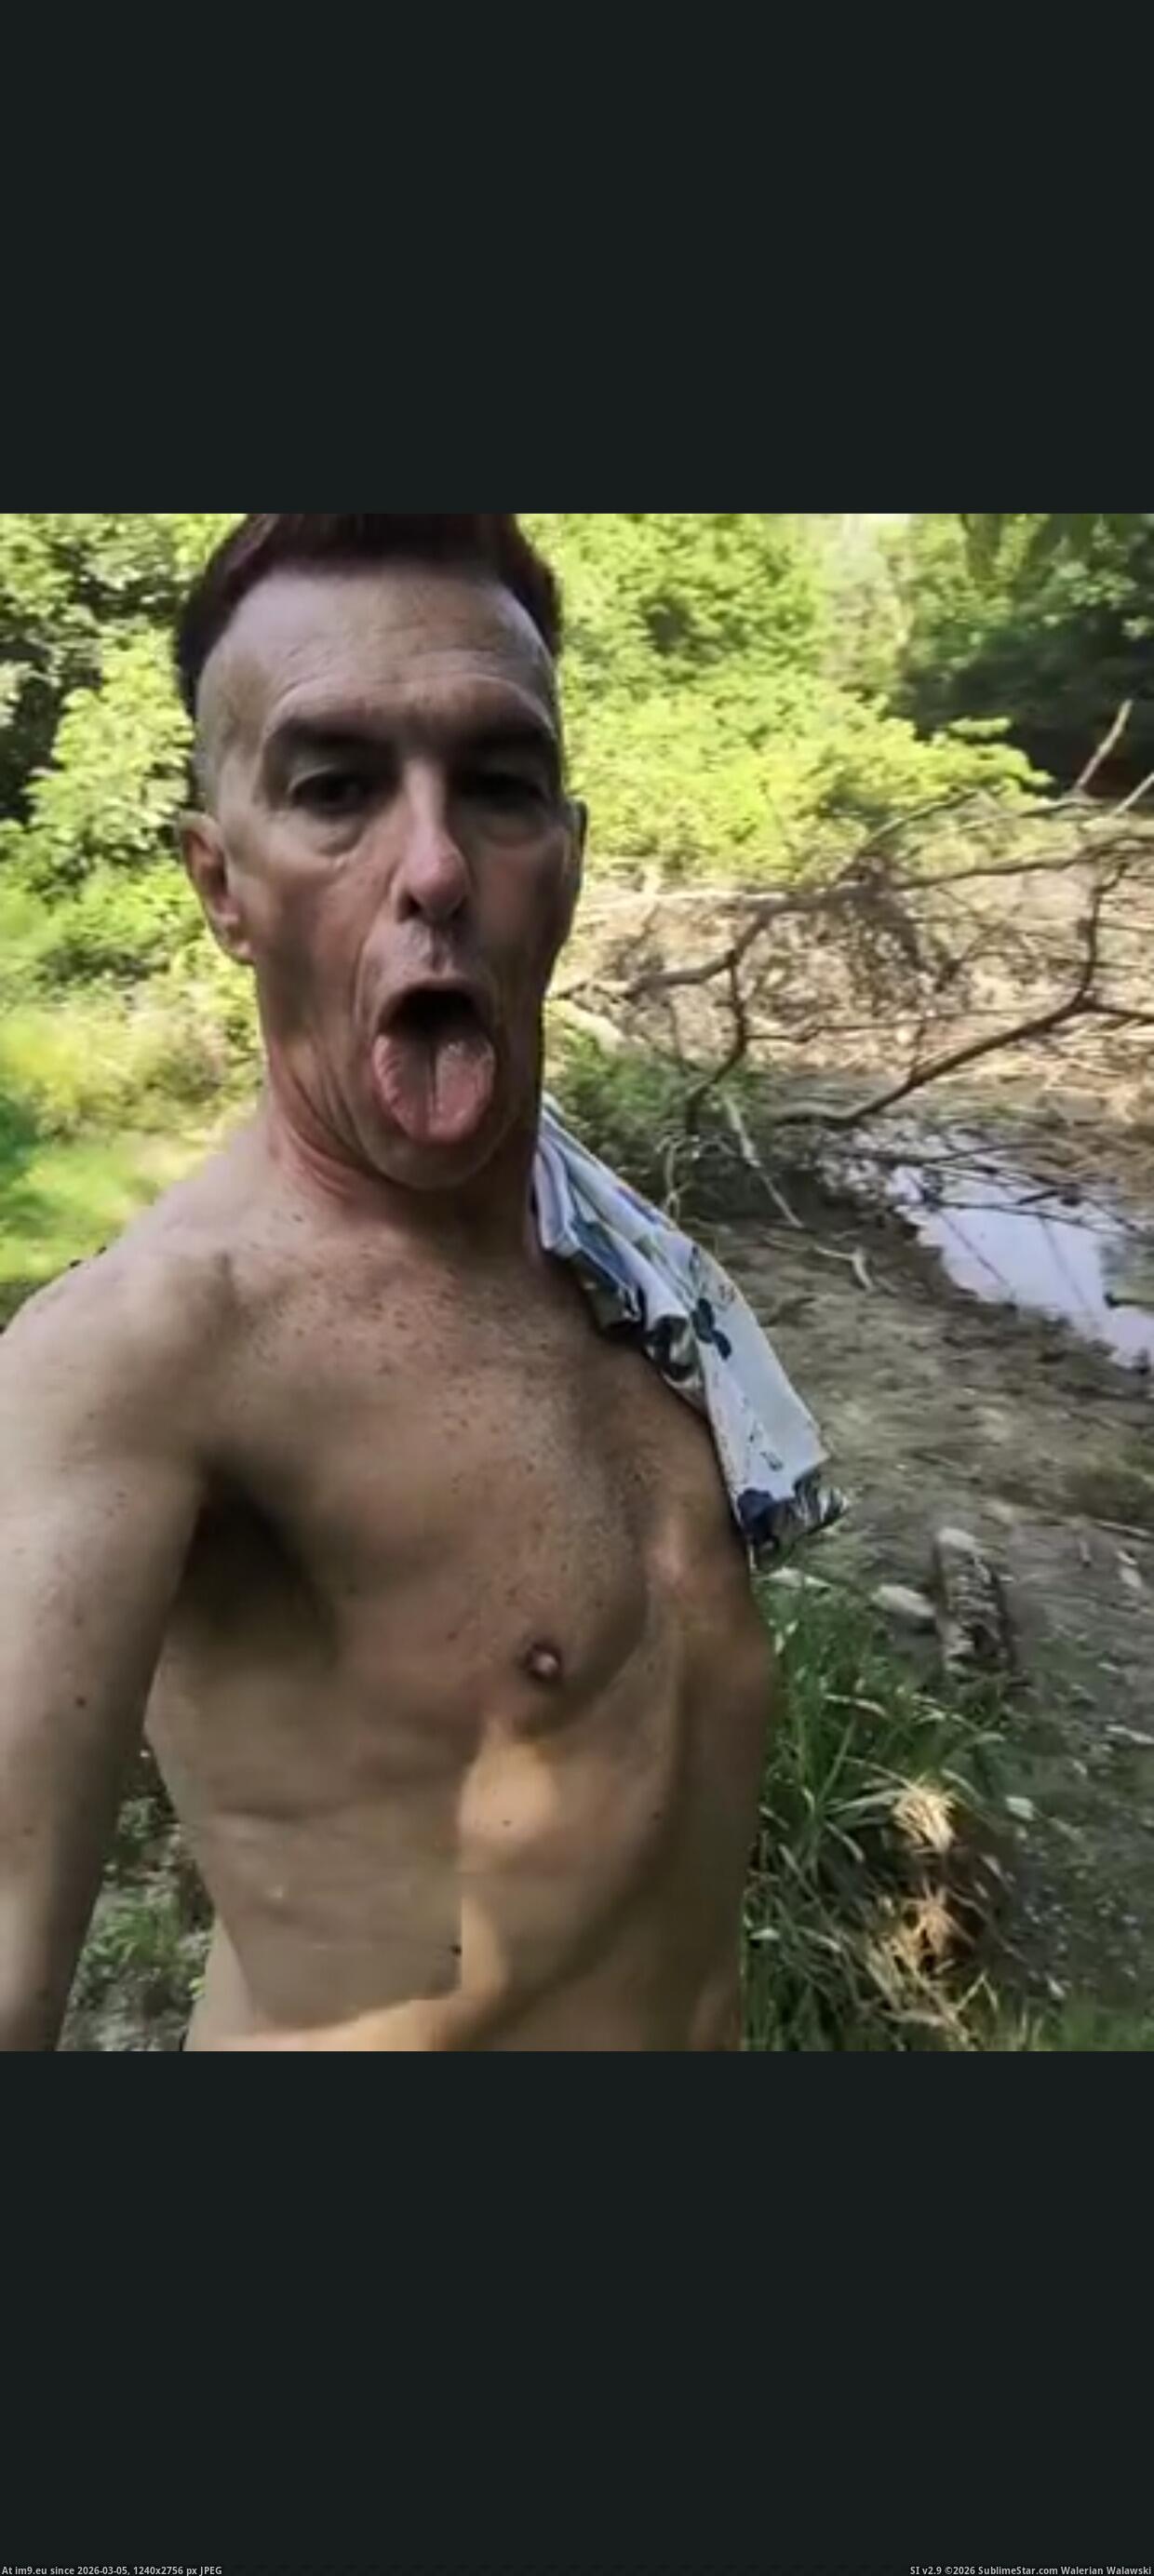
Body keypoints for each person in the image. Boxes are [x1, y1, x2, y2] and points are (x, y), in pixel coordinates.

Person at [0, 513, 839, 2054]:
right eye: (337, 790)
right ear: (220, 884)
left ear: (567, 860)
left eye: (499, 786)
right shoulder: (140, 1355)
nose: (437, 868)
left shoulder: (628, 1270)